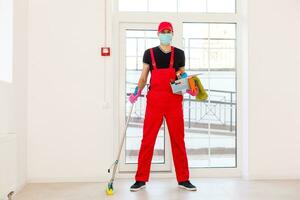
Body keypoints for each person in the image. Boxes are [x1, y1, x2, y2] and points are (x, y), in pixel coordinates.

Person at [128, 22, 197, 192]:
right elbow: (144, 77)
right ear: (158, 34)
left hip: (173, 101)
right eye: (163, 32)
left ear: (172, 34)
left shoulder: (179, 54)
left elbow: (182, 75)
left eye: (169, 32)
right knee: (148, 140)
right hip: (155, 102)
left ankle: (184, 179)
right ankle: (140, 179)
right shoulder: (149, 53)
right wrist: (137, 91)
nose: (166, 34)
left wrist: (190, 87)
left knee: (178, 140)